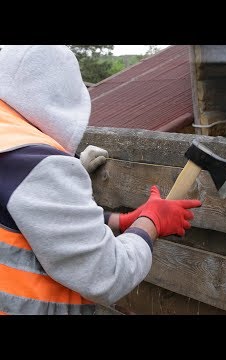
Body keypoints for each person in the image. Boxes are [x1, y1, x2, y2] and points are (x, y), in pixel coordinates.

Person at [0, 45, 202, 315]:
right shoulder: (35, 163)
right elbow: (108, 273)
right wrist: (151, 222)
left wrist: (117, 221)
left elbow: (26, 221)